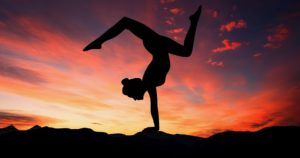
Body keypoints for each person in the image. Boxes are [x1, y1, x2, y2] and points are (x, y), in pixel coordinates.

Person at [83, 6, 201, 132]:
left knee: (126, 22)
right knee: (186, 51)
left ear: (137, 89)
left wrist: (156, 128)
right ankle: (193, 21)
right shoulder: (149, 83)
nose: (134, 99)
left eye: (132, 95)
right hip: (158, 46)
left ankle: (99, 42)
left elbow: (154, 106)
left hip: (156, 45)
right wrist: (156, 127)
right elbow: (154, 105)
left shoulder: (149, 81)